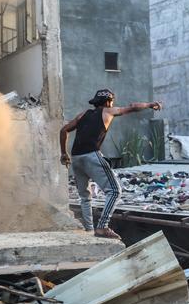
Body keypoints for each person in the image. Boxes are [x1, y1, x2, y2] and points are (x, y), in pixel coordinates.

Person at [59, 88, 162, 239]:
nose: (113, 104)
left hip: (76, 158)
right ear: (108, 101)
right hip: (91, 155)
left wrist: (64, 153)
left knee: (85, 197)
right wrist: (151, 104)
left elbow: (63, 130)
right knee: (114, 191)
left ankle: (89, 230)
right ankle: (102, 227)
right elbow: (133, 107)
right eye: (112, 101)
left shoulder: (83, 115)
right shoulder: (108, 111)